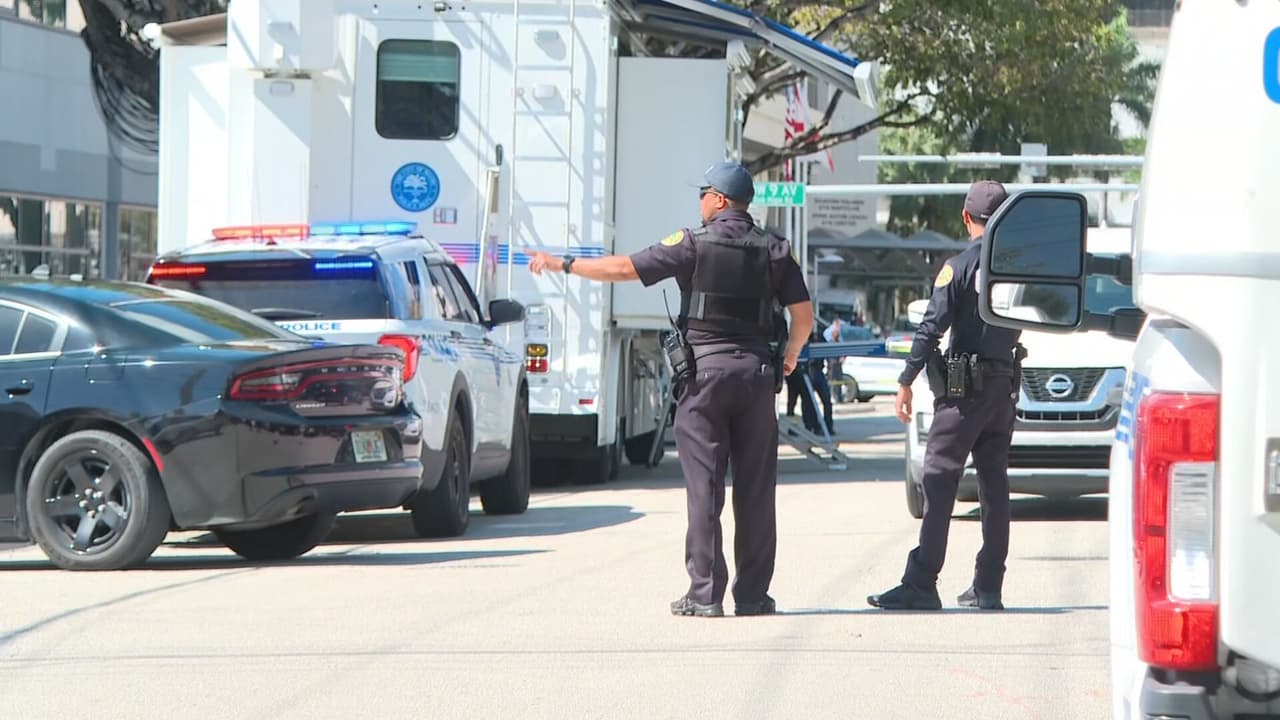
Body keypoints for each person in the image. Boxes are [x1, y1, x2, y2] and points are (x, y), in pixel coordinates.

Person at [526, 161, 813, 618]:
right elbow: (804, 316)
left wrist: (563, 264)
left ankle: (705, 595)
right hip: (757, 377)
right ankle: (754, 596)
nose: (699, 200)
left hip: (703, 380)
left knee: (705, 489)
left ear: (719, 199)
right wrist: (790, 356)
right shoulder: (775, 248)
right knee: (756, 490)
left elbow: (623, 268)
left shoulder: (692, 244)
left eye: (703, 192)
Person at [867, 180, 1022, 612]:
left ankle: (922, 581)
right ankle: (988, 586)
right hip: (1003, 389)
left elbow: (930, 327)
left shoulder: (960, 265)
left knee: (937, 478)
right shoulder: (1018, 267)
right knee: (995, 487)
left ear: (965, 217)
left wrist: (905, 379)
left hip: (965, 393)